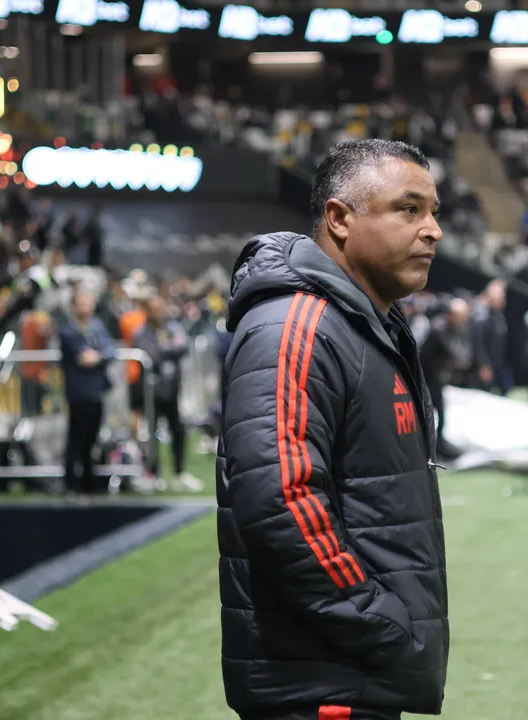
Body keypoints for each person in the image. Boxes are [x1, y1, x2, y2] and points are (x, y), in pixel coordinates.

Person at [218, 139, 449, 720]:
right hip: (323, 686)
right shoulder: (297, 325)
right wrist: (382, 624)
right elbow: (281, 503)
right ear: (340, 220)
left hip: (352, 676)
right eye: (409, 209)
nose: (433, 230)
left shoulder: (361, 325)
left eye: (433, 212)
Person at [131, 294, 202, 491]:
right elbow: (150, 355)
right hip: (151, 392)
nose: (158, 312)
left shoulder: (171, 327)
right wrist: (168, 349)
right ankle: (155, 474)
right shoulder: (141, 332)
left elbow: (182, 346)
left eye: (159, 308)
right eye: (153, 309)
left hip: (172, 390)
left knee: (178, 431)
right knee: (151, 434)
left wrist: (163, 349)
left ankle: (179, 472)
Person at [59, 288, 115, 495]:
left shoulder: (98, 326)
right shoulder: (68, 331)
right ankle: (71, 483)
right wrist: (99, 355)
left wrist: (98, 356)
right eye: (81, 303)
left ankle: (89, 482)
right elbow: (83, 356)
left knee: (92, 438)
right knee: (76, 438)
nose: (85, 307)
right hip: (78, 391)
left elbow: (110, 350)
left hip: (97, 390)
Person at [419, 296, 472, 460]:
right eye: (461, 316)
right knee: (428, 414)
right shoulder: (439, 328)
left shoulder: (448, 327)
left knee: (440, 415)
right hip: (426, 380)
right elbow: (452, 352)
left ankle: (438, 445)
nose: (463, 321)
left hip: (435, 379)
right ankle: (431, 447)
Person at [472, 279, 510, 395]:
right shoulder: (482, 314)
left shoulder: (498, 313)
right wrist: (484, 365)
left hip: (497, 363)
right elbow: (478, 343)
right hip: (486, 366)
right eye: (500, 294)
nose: (503, 297)